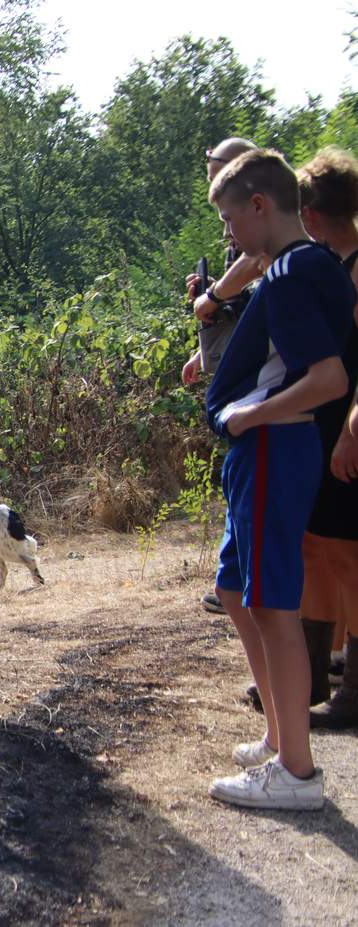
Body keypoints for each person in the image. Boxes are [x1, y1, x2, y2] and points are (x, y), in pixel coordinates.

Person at [202, 149, 354, 810]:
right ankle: (278, 731)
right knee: (237, 587)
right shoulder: (307, 264)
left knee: (272, 601)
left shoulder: (292, 273)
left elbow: (328, 378)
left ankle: (296, 772)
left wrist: (248, 417)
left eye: (232, 220)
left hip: (273, 445)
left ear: (261, 206)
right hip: (266, 448)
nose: (230, 236)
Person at [182, 136, 266, 617]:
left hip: (257, 380)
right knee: (240, 475)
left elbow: (255, 285)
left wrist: (213, 296)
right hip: (233, 367)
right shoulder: (237, 223)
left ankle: (244, 580)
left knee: (250, 478)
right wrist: (202, 352)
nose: (207, 173)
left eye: (211, 165)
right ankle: (234, 577)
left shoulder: (259, 223)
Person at [296, 148, 358, 729]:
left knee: (347, 555)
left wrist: (351, 431)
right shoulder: (324, 263)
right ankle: (309, 677)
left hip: (348, 436)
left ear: (313, 211)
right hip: (318, 432)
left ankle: (353, 691)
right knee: (314, 545)